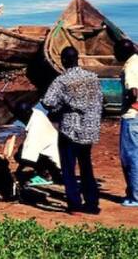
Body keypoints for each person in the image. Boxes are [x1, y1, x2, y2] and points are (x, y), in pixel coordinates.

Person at [42, 46, 103, 214]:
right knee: (86, 167)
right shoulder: (93, 77)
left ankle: (75, 205)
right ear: (78, 59)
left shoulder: (62, 80)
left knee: (68, 169)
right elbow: (99, 101)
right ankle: (92, 204)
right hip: (89, 129)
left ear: (64, 61)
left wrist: (61, 106)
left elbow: (48, 102)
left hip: (70, 129)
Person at [115, 39, 138, 208]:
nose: (114, 54)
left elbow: (133, 92)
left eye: (116, 51)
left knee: (130, 157)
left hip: (132, 116)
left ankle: (135, 196)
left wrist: (130, 105)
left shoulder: (130, 66)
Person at [14, 103, 62, 185]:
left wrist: (18, 172)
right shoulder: (38, 114)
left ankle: (46, 175)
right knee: (22, 153)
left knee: (20, 156)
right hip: (53, 152)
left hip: (54, 162)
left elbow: (27, 154)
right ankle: (44, 171)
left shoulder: (35, 129)